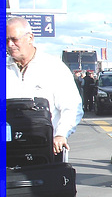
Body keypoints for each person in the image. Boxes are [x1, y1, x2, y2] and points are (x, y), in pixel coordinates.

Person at [6, 16, 83, 158]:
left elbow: (72, 107)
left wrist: (61, 134)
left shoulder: (53, 67)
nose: (10, 44)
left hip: (47, 149)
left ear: (30, 38)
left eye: (14, 39)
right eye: (6, 40)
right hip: (9, 150)